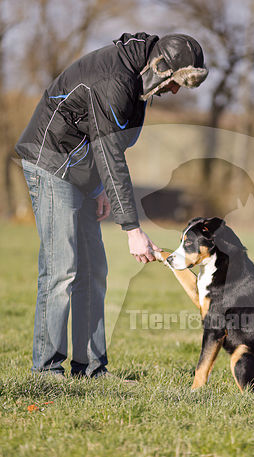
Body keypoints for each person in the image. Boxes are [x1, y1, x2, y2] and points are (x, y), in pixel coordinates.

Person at [15, 32, 208, 379]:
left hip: (80, 169)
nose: (175, 91)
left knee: (93, 271)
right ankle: (46, 371)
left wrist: (100, 186)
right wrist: (132, 229)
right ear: (161, 67)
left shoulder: (137, 79)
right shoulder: (113, 80)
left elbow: (108, 144)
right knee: (63, 269)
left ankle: (90, 369)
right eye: (176, 83)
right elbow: (108, 150)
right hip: (51, 163)